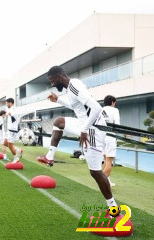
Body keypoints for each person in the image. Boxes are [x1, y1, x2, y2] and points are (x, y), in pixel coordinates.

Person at [37, 66, 119, 211]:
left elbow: (96, 108)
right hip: (86, 124)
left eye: (52, 81)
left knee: (95, 172)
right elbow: (77, 107)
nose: (52, 85)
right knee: (59, 122)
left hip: (92, 129)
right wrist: (59, 101)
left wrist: (84, 130)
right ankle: (49, 157)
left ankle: (113, 209)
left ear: (60, 77)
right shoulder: (70, 88)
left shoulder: (74, 86)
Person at [102, 95, 120, 187]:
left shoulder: (100, 110)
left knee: (105, 160)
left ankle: (107, 181)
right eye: (114, 103)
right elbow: (117, 125)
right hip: (110, 137)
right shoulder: (115, 110)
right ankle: (102, 183)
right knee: (109, 161)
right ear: (112, 102)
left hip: (101, 137)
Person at [4, 98, 23, 163]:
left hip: (12, 130)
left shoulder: (14, 109)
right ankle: (18, 150)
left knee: (10, 145)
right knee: (5, 143)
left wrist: (9, 113)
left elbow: (13, 114)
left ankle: (16, 158)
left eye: (7, 103)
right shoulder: (11, 109)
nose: (6, 104)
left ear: (10, 103)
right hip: (9, 130)